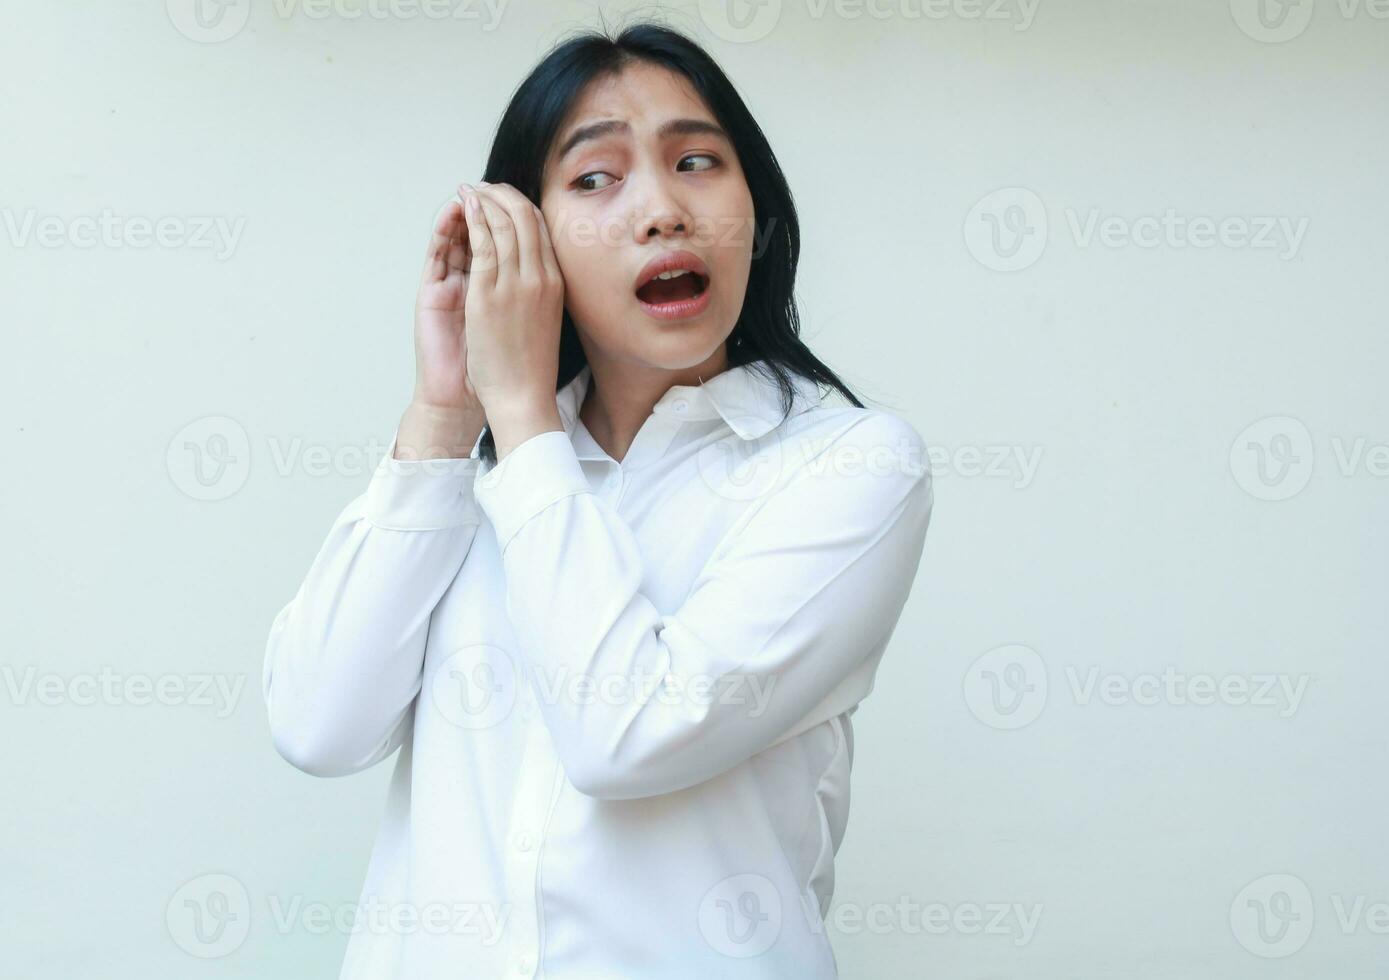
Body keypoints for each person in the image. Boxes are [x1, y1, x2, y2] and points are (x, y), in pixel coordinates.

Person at [262, 20, 934, 979]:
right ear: (525, 244)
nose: (661, 210)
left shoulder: (851, 469)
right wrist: (446, 412)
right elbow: (317, 726)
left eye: (696, 161)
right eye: (594, 178)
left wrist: (524, 421)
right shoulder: (477, 479)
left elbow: (627, 736)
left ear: (759, 215)